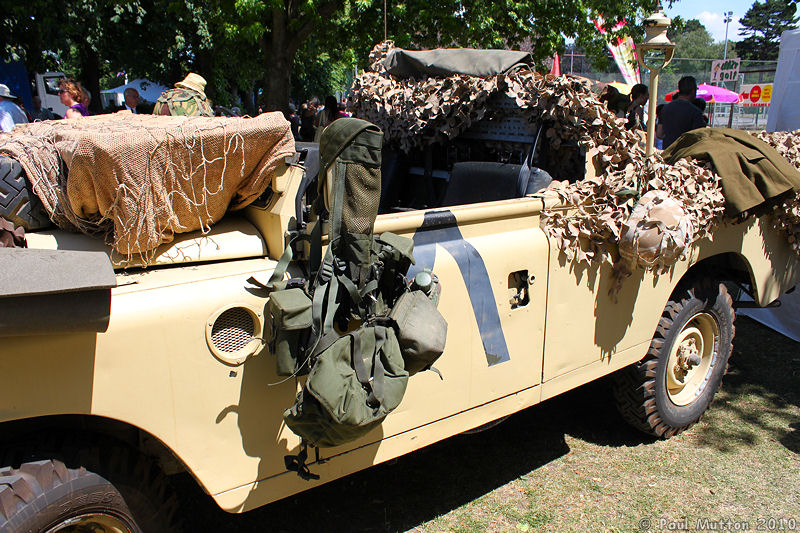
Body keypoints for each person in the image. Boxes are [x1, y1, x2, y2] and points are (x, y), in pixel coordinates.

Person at [658, 76, 706, 149]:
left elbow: (659, 134)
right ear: (693, 91)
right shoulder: (695, 112)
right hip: (684, 155)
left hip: (666, 153)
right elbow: (698, 138)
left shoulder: (665, 108)